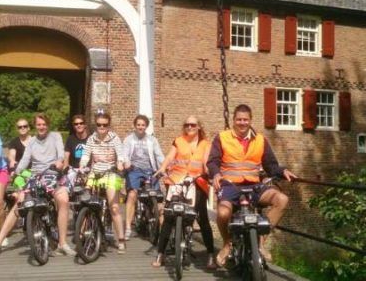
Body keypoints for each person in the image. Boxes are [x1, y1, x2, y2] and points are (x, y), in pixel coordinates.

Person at [207, 104, 297, 267]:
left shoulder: (261, 140)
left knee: (282, 200)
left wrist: (282, 171)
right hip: (230, 186)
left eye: (245, 120)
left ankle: (260, 242)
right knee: (222, 213)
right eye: (239, 119)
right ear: (233, 120)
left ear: (250, 121)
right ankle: (227, 244)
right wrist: (216, 174)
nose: (242, 123)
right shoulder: (222, 137)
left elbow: (271, 165)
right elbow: (212, 161)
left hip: (254, 187)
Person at [0, 113, 75, 257]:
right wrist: (15, 172)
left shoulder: (56, 136)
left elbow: (60, 154)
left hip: (53, 174)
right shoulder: (32, 142)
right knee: (20, 202)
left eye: (44, 124)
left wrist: (58, 163)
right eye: (39, 124)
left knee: (63, 199)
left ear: (48, 125)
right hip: (36, 175)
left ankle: (62, 243)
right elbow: (24, 160)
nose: (41, 127)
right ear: (35, 126)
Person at [151, 115, 216, 270]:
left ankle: (211, 254)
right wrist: (162, 168)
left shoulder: (206, 144)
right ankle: (160, 254)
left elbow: (206, 163)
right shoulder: (178, 140)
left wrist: (210, 173)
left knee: (202, 217)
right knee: (168, 216)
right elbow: (169, 157)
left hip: (197, 181)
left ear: (199, 126)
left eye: (193, 125)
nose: (189, 127)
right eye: (187, 125)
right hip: (177, 179)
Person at [80, 112, 126, 253]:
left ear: (108, 125)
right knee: (85, 201)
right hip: (95, 172)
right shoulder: (91, 138)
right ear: (96, 125)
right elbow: (86, 154)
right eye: (99, 124)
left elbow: (121, 154)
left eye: (104, 125)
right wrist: (82, 165)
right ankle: (81, 233)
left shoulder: (114, 138)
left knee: (114, 207)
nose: (101, 127)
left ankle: (121, 240)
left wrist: (120, 163)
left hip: (111, 171)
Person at [123, 114, 164, 240]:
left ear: (146, 126)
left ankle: (161, 228)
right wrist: (126, 162)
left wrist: (163, 166)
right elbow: (124, 154)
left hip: (150, 170)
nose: (140, 127)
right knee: (132, 194)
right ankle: (128, 227)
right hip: (134, 170)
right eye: (138, 125)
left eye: (143, 125)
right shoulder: (129, 139)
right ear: (135, 126)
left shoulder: (152, 140)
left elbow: (159, 155)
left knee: (158, 198)